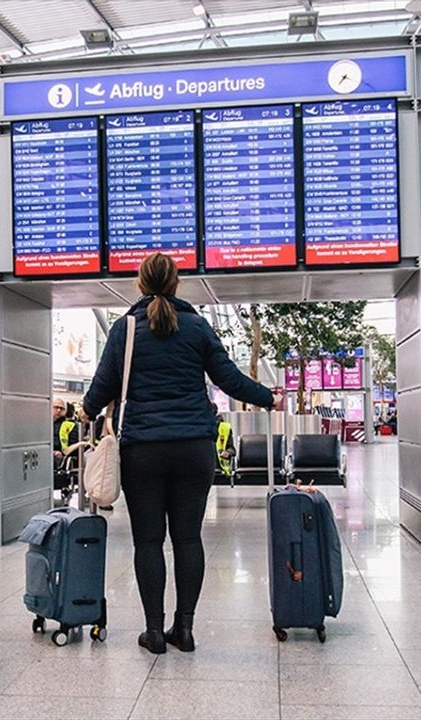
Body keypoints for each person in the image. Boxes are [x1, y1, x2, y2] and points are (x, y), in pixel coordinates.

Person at [82, 253, 272, 655]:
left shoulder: (125, 329)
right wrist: (267, 397)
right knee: (188, 539)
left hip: (143, 450)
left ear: (140, 283)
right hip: (193, 448)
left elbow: (102, 385)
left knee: (148, 541)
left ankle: (154, 632)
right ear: (176, 283)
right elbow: (229, 378)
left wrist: (86, 409)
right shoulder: (197, 327)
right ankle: (184, 629)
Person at [215, 409, 235, 477]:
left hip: (220, 467)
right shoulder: (199, 427)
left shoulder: (224, 428)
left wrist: (228, 452)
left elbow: (232, 449)